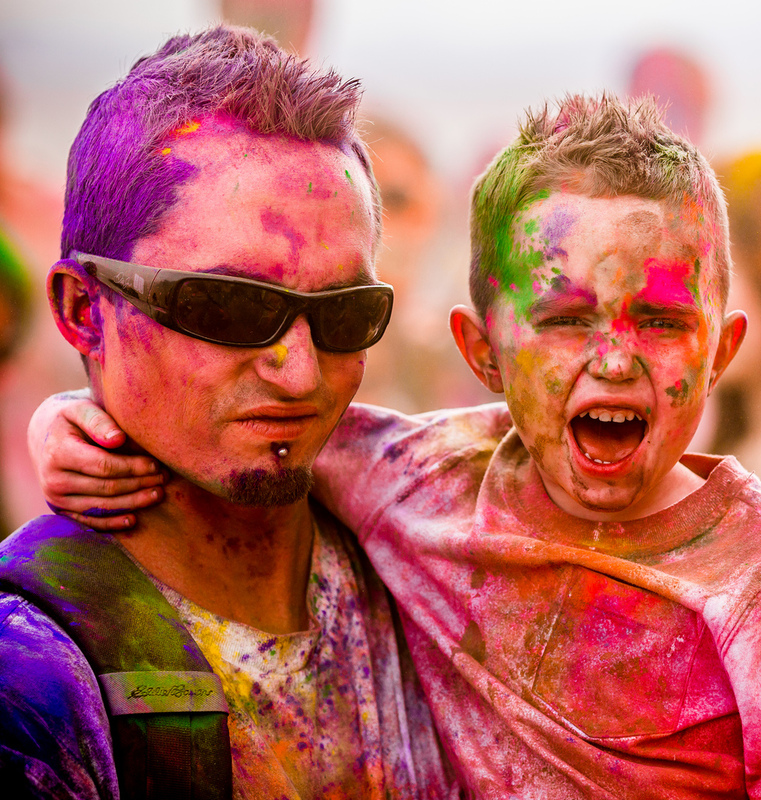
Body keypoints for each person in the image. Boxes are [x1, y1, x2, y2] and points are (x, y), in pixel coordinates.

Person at [30, 94, 761, 797]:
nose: (613, 361)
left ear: (721, 351)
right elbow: (243, 428)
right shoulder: (425, 481)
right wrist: (76, 419)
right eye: (565, 320)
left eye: (663, 322)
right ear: (482, 352)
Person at [1, 25, 457, 800]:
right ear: (84, 310)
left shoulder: (433, 556)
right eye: (229, 305)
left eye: (346, 313)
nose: (301, 374)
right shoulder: (34, 672)